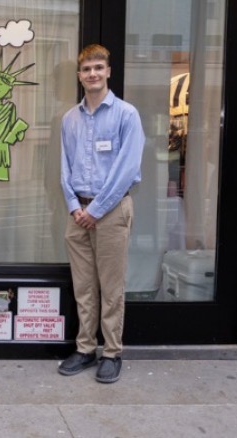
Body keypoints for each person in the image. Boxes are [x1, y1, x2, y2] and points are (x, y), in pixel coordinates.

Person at [58, 44, 144, 383]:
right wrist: (74, 206)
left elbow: (127, 170)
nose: (92, 73)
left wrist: (94, 210)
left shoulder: (126, 115)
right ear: (79, 75)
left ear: (108, 71)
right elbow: (65, 167)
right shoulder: (70, 119)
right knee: (83, 288)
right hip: (78, 213)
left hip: (111, 211)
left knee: (111, 288)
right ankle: (84, 349)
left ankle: (111, 353)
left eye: (98, 67)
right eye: (86, 69)